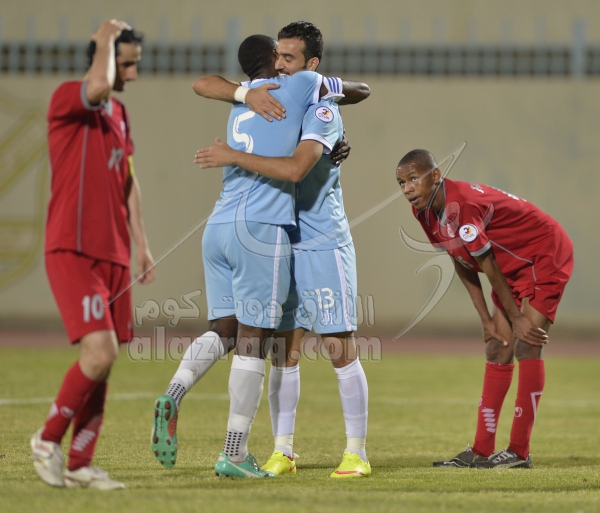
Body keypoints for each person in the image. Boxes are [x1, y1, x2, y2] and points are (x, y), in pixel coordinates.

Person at [151, 33, 369, 479]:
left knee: (244, 332)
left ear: (310, 63)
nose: (285, 64)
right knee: (264, 342)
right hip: (266, 232)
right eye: (280, 56)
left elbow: (202, 84)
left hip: (247, 228)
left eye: (292, 57)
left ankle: (355, 453)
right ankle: (253, 451)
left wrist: (242, 109)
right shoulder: (288, 89)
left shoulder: (264, 102)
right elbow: (352, 95)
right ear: (271, 58)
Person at [31, 20, 154, 490]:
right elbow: (97, 85)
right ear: (103, 58)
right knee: (99, 353)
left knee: (106, 361)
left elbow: (129, 181)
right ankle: (47, 440)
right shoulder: (69, 98)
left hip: (114, 254)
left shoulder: (119, 113)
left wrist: (141, 244)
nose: (133, 75)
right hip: (73, 247)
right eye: (127, 64)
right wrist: (105, 38)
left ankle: (81, 463)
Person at [396, 149, 573, 469]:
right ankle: (481, 450)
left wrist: (516, 318)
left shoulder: (462, 205)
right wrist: (485, 320)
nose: (407, 188)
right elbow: (458, 258)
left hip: (542, 253)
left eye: (413, 179)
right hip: (509, 267)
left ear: (435, 176)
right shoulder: (423, 211)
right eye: (401, 183)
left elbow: (487, 262)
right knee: (497, 347)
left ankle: (519, 452)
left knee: (526, 344)